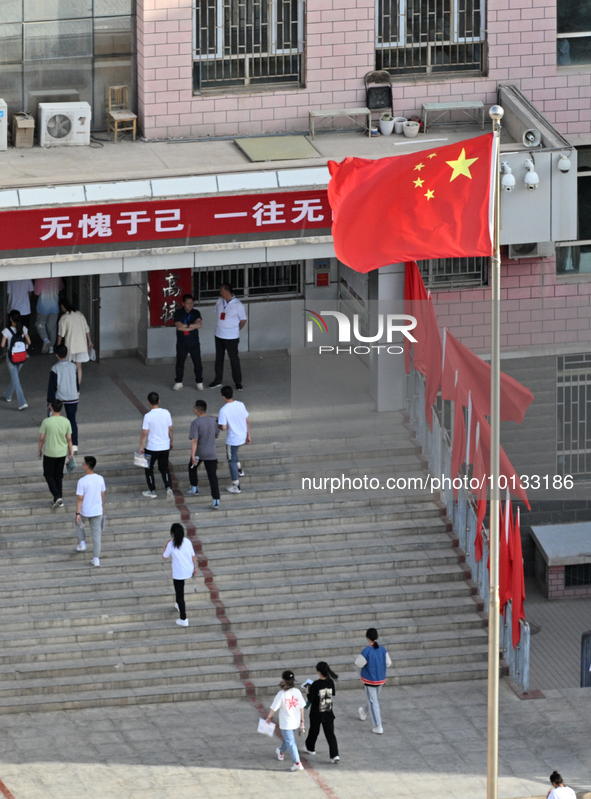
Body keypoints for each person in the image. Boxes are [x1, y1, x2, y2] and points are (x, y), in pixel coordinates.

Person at [265, 670, 306, 772]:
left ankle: (297, 763)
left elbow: (274, 708)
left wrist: (268, 717)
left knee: (291, 742)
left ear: (283, 680)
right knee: (288, 740)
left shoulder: (281, 694)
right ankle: (281, 751)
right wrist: (302, 720)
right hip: (295, 722)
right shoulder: (297, 692)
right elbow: (301, 707)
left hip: (286, 723)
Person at [208, 283, 247, 390]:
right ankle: (217, 380)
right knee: (219, 358)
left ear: (227, 292)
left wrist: (235, 329)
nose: (220, 293)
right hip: (219, 335)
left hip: (231, 337)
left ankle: (238, 382)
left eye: (222, 291)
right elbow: (218, 312)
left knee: (234, 359)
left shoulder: (238, 305)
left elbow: (243, 320)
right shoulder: (220, 301)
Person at [355, 627, 391, 735]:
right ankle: (364, 711)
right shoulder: (383, 650)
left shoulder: (367, 651)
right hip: (380, 679)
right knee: (373, 699)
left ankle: (378, 725)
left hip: (370, 680)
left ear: (367, 637)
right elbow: (388, 663)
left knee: (373, 701)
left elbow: (358, 663)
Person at [38, 399, 73, 508]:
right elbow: (69, 439)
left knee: (48, 474)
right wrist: (71, 452)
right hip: (62, 452)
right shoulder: (66, 421)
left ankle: (57, 496)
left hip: (49, 452)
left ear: (51, 408)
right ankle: (59, 499)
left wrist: (39, 450)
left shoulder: (46, 421)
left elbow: (41, 438)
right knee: (58, 475)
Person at [139, 392, 174, 500]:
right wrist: (171, 441)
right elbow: (170, 429)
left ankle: (152, 490)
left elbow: (144, 433)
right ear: (159, 401)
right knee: (164, 468)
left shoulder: (148, 416)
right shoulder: (166, 413)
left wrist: (141, 447)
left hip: (152, 447)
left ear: (148, 402)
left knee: (148, 469)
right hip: (165, 446)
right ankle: (168, 487)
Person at [303, 662, 340, 763]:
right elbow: (332, 693)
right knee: (330, 734)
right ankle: (335, 755)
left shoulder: (315, 684)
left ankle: (310, 748)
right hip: (328, 710)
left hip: (316, 712)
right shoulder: (330, 682)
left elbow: (312, 699)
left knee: (314, 730)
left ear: (319, 672)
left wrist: (307, 692)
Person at [187, 399, 221, 509]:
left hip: (200, 452)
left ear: (197, 410)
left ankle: (194, 488)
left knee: (192, 467)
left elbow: (194, 440)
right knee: (212, 477)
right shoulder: (212, 421)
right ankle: (216, 500)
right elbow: (217, 435)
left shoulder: (195, 423)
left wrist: (193, 455)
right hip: (211, 453)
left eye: (194, 407)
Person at [162, 523, 197, 627]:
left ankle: (183, 618)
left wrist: (165, 545)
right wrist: (195, 568)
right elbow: (193, 557)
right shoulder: (187, 541)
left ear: (173, 533)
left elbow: (164, 557)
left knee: (180, 593)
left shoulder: (171, 544)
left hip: (179, 572)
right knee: (180, 590)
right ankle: (178, 604)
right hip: (188, 569)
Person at [47, 344, 80, 452]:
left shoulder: (55, 368)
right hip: (73, 397)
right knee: (72, 421)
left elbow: (52, 386)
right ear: (67, 353)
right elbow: (76, 381)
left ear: (56, 355)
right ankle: (74, 445)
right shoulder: (73, 366)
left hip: (59, 398)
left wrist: (50, 402)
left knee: (56, 421)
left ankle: (57, 443)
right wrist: (77, 392)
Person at [218, 385, 250, 494]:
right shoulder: (241, 404)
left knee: (231, 460)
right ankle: (240, 470)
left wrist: (218, 423)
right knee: (235, 452)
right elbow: (247, 421)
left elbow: (223, 427)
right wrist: (248, 435)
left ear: (223, 396)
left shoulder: (223, 410)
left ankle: (236, 485)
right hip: (243, 435)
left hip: (232, 438)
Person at [75, 456, 105, 568]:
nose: (83, 465)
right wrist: (102, 506)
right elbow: (102, 494)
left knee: (78, 523)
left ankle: (82, 542)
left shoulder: (82, 481)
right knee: (97, 535)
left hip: (85, 510)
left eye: (84, 463)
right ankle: (96, 559)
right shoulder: (100, 479)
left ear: (87, 466)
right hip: (97, 510)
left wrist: (77, 513)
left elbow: (80, 498)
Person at [56, 298, 93, 385]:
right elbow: (87, 329)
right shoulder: (80, 315)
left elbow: (61, 334)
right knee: (78, 367)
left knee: (68, 366)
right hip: (81, 345)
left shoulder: (64, 317)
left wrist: (58, 345)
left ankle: (69, 385)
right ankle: (77, 387)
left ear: (62, 306)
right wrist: (90, 341)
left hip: (70, 346)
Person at [172, 294, 203, 391]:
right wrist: (191, 325)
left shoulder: (196, 312)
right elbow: (179, 327)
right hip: (182, 343)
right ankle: (178, 381)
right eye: (188, 303)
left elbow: (199, 325)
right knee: (180, 363)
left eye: (191, 303)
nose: (190, 305)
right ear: (183, 303)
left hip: (194, 343)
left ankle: (199, 382)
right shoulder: (178, 312)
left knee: (197, 363)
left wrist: (186, 325)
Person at [2, 310, 32, 410]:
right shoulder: (23, 329)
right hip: (22, 356)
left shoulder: (7, 331)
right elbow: (29, 341)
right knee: (15, 378)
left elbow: (2, 345)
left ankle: (22, 402)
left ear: (10, 319)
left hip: (11, 357)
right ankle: (8, 394)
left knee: (16, 379)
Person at [34, 277, 63, 354]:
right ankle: (51, 348)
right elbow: (60, 288)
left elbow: (36, 292)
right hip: (54, 305)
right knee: (52, 327)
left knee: (40, 324)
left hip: (43, 306)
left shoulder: (40, 279)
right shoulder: (57, 277)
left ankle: (46, 340)